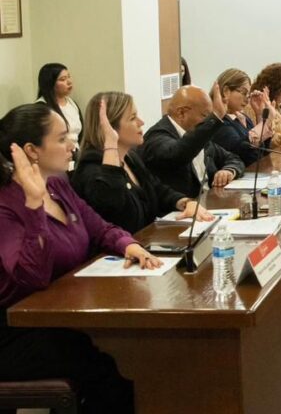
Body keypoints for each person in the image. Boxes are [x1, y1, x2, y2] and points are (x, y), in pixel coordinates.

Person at [0, 102, 161, 413]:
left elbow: (98, 226)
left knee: (139, 351)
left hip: (63, 315)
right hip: (17, 331)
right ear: (32, 150)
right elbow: (31, 277)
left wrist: (127, 244)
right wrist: (34, 206)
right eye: (62, 138)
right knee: (117, 368)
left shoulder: (58, 184)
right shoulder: (7, 204)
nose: (72, 145)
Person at [72, 93, 213, 233]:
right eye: (132, 118)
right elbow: (115, 212)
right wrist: (111, 145)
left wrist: (185, 202)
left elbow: (157, 189)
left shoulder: (130, 158)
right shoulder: (92, 171)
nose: (141, 122)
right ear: (110, 128)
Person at [139, 85, 245, 198]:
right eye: (205, 116)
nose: (207, 121)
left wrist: (229, 171)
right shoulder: (156, 137)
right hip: (183, 206)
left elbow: (233, 158)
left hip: (212, 201)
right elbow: (179, 153)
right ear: (182, 113)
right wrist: (215, 117)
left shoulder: (199, 136)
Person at [213, 68, 273, 166]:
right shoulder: (219, 121)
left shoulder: (243, 118)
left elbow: (262, 154)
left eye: (248, 95)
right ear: (226, 91)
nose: (247, 99)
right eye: (244, 93)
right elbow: (243, 153)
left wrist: (260, 116)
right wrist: (266, 122)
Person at [35, 63, 83, 158]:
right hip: (58, 157)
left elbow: (80, 134)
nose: (69, 82)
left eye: (69, 77)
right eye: (62, 79)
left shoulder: (72, 103)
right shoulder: (41, 108)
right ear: (50, 83)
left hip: (76, 155)